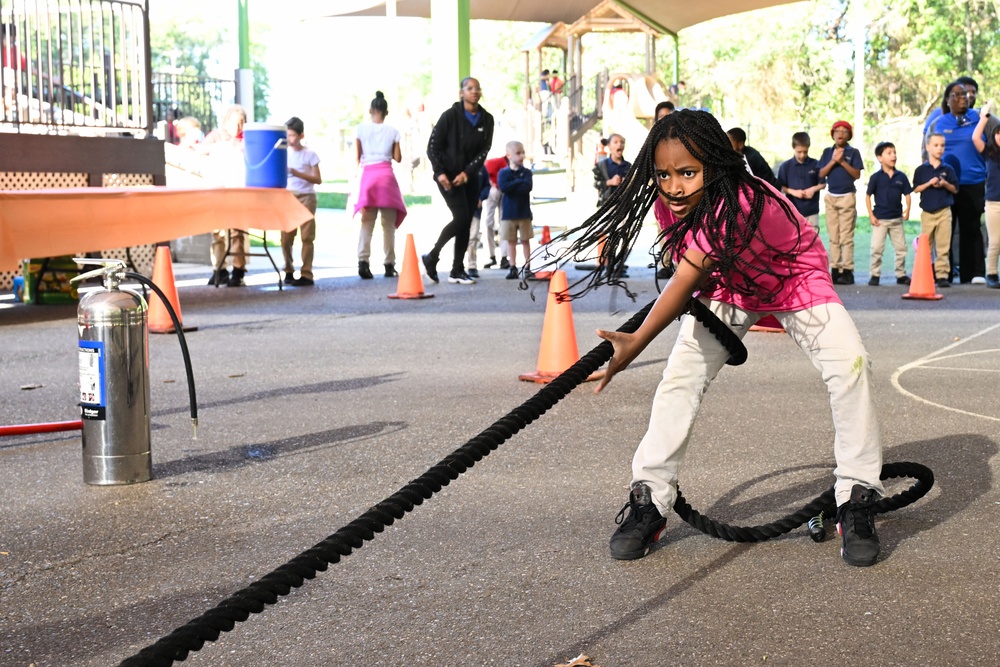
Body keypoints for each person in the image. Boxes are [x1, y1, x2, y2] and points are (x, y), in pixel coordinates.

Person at [541, 109, 885, 567]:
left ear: (717, 166)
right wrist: (679, 300)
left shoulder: (741, 200)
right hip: (731, 284)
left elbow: (686, 277)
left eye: (687, 172)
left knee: (850, 364)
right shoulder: (671, 203)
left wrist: (636, 341)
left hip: (792, 276)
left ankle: (856, 494)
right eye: (663, 174)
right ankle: (651, 498)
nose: (674, 186)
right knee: (680, 377)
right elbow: (690, 269)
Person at [423, 76, 494, 285]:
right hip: (448, 176)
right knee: (462, 217)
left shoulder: (486, 119)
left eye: (477, 88)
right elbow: (432, 147)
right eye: (470, 88)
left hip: (469, 176)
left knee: (465, 220)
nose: (474, 91)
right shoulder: (449, 117)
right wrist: (440, 173)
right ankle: (432, 256)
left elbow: (484, 150)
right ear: (461, 92)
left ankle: (457, 269)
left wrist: (468, 173)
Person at [927, 82, 987, 283]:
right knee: (946, 230)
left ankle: (975, 273)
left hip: (973, 182)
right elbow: (927, 148)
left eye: (966, 94)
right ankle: (945, 272)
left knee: (972, 228)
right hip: (945, 184)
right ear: (948, 99)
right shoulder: (939, 122)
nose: (964, 97)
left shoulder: (980, 118)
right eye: (957, 94)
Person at [354, 91, 407, 279]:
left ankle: (363, 262)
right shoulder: (393, 131)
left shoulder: (360, 129)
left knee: (367, 223)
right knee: (388, 225)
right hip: (386, 178)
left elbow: (358, 157)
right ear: (386, 112)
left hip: (368, 177)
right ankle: (389, 264)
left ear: (370, 110)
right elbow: (398, 158)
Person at [201, 105, 249, 287]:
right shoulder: (215, 137)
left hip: (237, 189)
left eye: (242, 123)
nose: (238, 128)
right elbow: (198, 151)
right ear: (226, 122)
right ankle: (219, 268)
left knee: (237, 232)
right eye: (235, 123)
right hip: (218, 188)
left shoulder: (246, 141)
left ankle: (238, 269)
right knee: (217, 231)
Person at [818, 120, 864, 285]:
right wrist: (833, 161)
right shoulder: (827, 152)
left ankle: (848, 269)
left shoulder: (853, 152)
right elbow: (821, 173)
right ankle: (835, 268)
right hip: (831, 197)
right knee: (833, 236)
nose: (840, 134)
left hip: (847, 197)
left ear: (849, 135)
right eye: (837, 131)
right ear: (833, 134)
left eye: (845, 131)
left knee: (846, 236)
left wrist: (842, 161)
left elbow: (857, 174)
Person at [912, 133, 959, 288]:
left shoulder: (948, 169)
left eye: (942, 146)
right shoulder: (921, 170)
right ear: (928, 147)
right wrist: (929, 183)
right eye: (936, 145)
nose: (939, 149)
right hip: (927, 213)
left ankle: (942, 275)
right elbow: (916, 189)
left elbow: (955, 189)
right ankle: (925, 273)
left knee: (943, 245)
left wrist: (944, 183)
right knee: (926, 245)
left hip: (944, 211)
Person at [281, 116, 322, 286]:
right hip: (289, 196)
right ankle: (288, 269)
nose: (290, 139)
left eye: (293, 136)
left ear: (301, 136)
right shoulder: (283, 152)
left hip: (306, 196)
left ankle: (306, 272)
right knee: (286, 236)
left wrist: (297, 173)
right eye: (287, 135)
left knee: (307, 236)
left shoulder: (310, 155)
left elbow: (317, 179)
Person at [865, 142, 912, 286]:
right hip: (880, 219)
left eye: (894, 152)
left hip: (896, 219)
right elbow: (868, 196)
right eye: (889, 153)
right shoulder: (876, 178)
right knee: (877, 248)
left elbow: (907, 194)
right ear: (880, 158)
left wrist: (908, 209)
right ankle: (875, 274)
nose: (893, 156)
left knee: (901, 248)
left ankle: (901, 274)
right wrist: (871, 215)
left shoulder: (901, 176)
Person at [972, 101, 1000, 288]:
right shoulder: (989, 153)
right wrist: (983, 117)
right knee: (995, 241)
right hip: (993, 203)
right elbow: (975, 138)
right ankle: (992, 274)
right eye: (999, 133)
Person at [497, 141, 534, 279]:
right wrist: (518, 182)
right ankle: (512, 267)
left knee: (526, 240)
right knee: (510, 241)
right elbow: (504, 188)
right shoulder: (503, 173)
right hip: (508, 213)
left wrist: (514, 185)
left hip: (524, 212)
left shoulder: (527, 173)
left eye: (522, 152)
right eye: (518, 153)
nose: (521, 156)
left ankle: (528, 267)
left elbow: (527, 187)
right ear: (509, 155)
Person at [776, 132, 824, 230]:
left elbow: (822, 184)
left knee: (813, 241)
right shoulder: (785, 166)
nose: (802, 155)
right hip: (793, 211)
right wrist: (794, 192)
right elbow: (781, 186)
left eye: (805, 152)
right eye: (799, 152)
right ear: (793, 147)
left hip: (812, 212)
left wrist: (813, 189)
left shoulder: (816, 164)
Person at [479, 155, 509, 270]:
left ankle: (504, 256)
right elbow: (486, 172)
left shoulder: (512, 164)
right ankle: (491, 256)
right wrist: (492, 184)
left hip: (504, 191)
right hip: (495, 190)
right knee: (488, 223)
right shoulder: (496, 162)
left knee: (504, 223)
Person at [465, 164, 491, 279]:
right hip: (462, 207)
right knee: (462, 236)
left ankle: (472, 265)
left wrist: (481, 198)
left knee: (473, 237)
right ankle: (458, 264)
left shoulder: (481, 168)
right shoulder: (460, 164)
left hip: (476, 209)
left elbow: (487, 186)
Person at [594, 134, 629, 206]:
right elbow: (596, 184)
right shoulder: (601, 165)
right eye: (615, 142)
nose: (619, 144)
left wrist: (628, 183)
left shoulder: (629, 166)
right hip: (606, 205)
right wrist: (610, 182)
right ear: (609, 146)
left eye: (622, 142)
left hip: (625, 206)